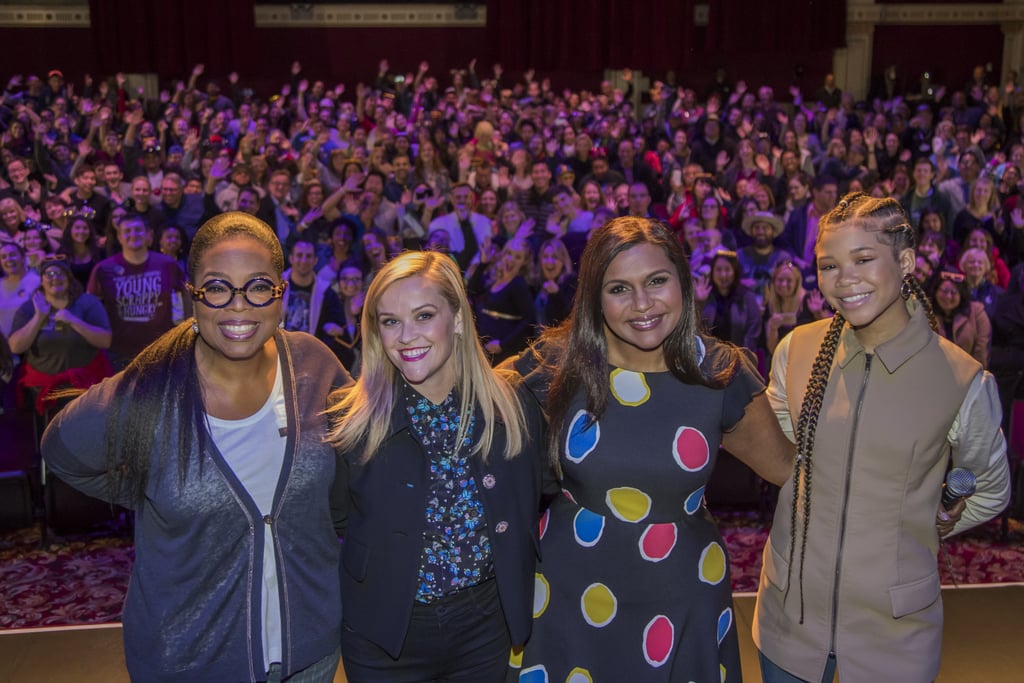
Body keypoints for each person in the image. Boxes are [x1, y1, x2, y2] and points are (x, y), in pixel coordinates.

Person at [42, 212, 351, 682]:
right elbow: (61, 450)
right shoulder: (151, 387)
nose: (239, 306)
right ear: (193, 295)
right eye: (219, 287)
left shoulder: (314, 364)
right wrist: (148, 490)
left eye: (259, 285)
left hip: (310, 657)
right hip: (191, 663)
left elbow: (348, 467)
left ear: (280, 292)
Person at [507, 217, 794, 681]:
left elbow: (790, 472)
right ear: (594, 299)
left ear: (683, 280)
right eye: (619, 288)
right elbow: (469, 404)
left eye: (657, 281)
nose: (642, 304)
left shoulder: (720, 373)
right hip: (571, 592)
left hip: (682, 592)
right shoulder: (555, 364)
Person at [753, 193, 1011, 683]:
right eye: (828, 265)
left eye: (863, 259)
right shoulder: (796, 350)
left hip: (894, 640)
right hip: (788, 626)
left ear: (906, 261)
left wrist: (922, 525)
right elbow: (780, 456)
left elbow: (990, 489)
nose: (843, 278)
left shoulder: (963, 380)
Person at [327, 250, 543, 682]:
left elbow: (540, 491)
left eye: (424, 316)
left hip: (484, 626)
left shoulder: (509, 403)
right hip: (385, 636)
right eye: (390, 321)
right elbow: (335, 519)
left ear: (459, 318)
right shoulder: (349, 419)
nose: (406, 336)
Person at [9, 257, 112, 414]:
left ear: (69, 279)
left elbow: (105, 341)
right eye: (49, 274)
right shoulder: (29, 308)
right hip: (41, 387)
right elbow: (16, 347)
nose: (54, 278)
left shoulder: (87, 303)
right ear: (41, 281)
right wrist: (38, 317)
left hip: (85, 385)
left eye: (60, 274)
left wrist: (73, 321)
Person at [87, 214, 189, 370]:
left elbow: (187, 296)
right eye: (127, 231)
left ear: (149, 235)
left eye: (138, 230)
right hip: (120, 354)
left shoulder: (167, 264)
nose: (133, 235)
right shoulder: (103, 269)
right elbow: (90, 307)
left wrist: (185, 332)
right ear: (119, 237)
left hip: (161, 351)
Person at [933, 270, 991, 367]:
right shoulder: (925, 311)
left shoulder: (977, 312)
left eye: (954, 292)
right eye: (944, 291)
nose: (948, 296)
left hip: (968, 373)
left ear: (961, 294)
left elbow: (981, 351)